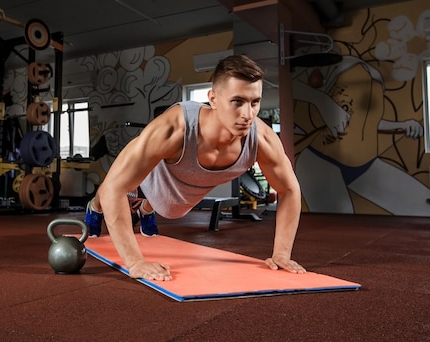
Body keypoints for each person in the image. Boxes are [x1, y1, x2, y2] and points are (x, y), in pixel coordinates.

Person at [85, 54, 305, 281]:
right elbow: (116, 188)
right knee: (114, 184)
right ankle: (94, 206)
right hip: (155, 174)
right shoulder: (174, 129)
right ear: (213, 98)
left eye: (254, 102)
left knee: (170, 208)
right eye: (237, 101)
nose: (247, 114)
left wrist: (281, 253)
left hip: (178, 198)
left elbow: (289, 189)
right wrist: (135, 262)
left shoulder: (262, 140)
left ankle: (147, 208)